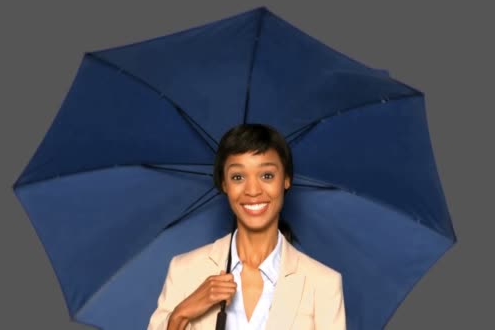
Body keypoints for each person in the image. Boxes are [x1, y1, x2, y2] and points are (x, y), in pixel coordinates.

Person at [148, 124, 346, 330]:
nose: (252, 190)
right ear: (224, 184)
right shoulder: (185, 270)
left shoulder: (323, 284)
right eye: (238, 177)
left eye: (267, 175)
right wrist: (181, 314)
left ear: (286, 179)